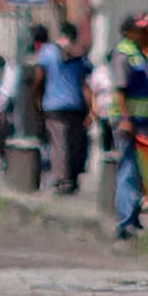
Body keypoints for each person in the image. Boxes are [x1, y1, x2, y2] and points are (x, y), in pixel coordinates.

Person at [106, 12, 148, 237]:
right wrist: (126, 120)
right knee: (129, 170)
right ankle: (126, 221)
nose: (146, 33)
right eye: (140, 29)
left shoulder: (141, 52)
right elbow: (120, 90)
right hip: (130, 122)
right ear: (128, 32)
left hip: (145, 121)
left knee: (139, 171)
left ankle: (133, 217)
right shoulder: (124, 53)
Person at [33, 23, 90, 193]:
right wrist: (91, 109)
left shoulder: (47, 51)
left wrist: (36, 96)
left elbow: (40, 77)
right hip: (77, 104)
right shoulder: (80, 54)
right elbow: (85, 83)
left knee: (59, 143)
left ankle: (61, 179)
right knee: (75, 143)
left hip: (54, 105)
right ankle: (73, 177)